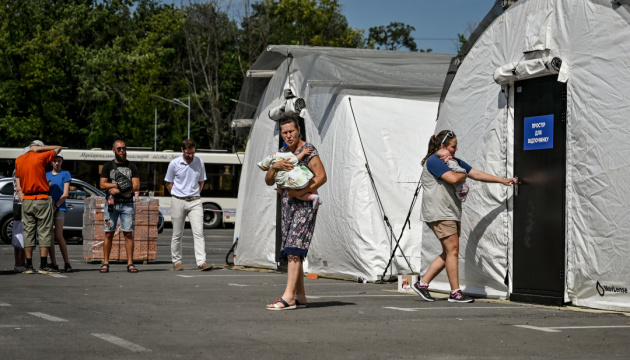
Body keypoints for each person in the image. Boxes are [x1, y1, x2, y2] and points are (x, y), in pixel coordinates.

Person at [413, 130, 516, 303]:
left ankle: (423, 284)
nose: (456, 149)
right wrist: (463, 172)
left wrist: (502, 180)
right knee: (452, 250)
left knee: (449, 251)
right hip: (440, 212)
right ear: (443, 146)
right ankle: (455, 293)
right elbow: (454, 179)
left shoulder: (452, 162)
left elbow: (475, 173)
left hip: (449, 211)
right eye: (453, 146)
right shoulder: (434, 161)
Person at [265, 114, 327, 310]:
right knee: (293, 250)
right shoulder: (282, 153)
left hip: (304, 206)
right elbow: (268, 180)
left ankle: (288, 297)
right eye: (285, 132)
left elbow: (322, 176)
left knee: (293, 248)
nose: (288, 135)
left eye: (291, 131)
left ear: (298, 130)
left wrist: (303, 191)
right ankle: (300, 296)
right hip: (287, 206)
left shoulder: (308, 151)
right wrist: (274, 167)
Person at [14, 140, 62, 274]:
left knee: (28, 232)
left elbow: (18, 180)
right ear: (38, 147)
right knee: (45, 231)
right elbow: (59, 147)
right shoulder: (40, 156)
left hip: (27, 199)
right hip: (42, 197)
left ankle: (28, 266)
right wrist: (40, 149)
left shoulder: (19, 160)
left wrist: (22, 197)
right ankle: (43, 265)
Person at [164, 139, 211, 271]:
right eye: (187, 153)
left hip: (195, 200)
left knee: (199, 233)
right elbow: (169, 183)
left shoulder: (199, 162)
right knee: (177, 234)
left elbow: (201, 181)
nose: (190, 156)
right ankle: (176, 262)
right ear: (182, 150)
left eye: (192, 153)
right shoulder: (174, 163)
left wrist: (195, 194)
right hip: (178, 199)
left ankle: (202, 262)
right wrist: (176, 195)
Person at [99, 140, 140, 273]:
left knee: (128, 234)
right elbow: (102, 185)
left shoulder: (132, 166)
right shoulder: (107, 166)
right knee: (108, 233)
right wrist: (119, 185)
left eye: (124, 148)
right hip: (111, 204)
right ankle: (106, 263)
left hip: (127, 204)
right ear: (114, 150)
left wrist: (119, 190)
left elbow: (136, 186)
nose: (122, 151)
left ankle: (130, 263)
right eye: (119, 149)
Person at [46, 153, 73, 273]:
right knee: (49, 237)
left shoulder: (65, 174)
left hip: (59, 208)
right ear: (51, 162)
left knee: (58, 235)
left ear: (62, 161)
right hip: (47, 208)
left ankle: (67, 262)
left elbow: (65, 194)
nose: (57, 163)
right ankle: (54, 263)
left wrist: (56, 206)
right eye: (55, 161)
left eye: (59, 161)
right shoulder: (46, 175)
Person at [12, 171, 26, 273]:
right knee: (19, 234)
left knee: (26, 234)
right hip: (20, 203)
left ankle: (23, 263)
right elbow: (19, 188)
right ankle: (18, 263)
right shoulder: (18, 170)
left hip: (22, 202)